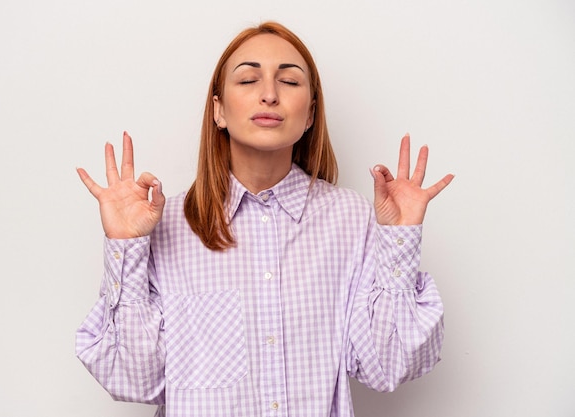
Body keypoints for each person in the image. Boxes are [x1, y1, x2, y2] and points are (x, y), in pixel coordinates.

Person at [75, 21, 454, 417]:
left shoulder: (353, 219)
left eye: (289, 82)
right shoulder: (168, 223)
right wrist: (124, 244)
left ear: (310, 113)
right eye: (249, 80)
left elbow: (389, 365)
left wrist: (400, 238)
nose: (270, 95)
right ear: (219, 110)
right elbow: (134, 379)